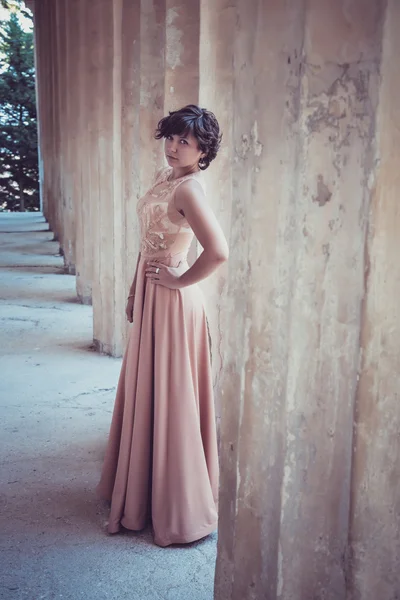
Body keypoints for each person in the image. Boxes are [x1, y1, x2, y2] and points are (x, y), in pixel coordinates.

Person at [96, 104, 229, 547]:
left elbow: (218, 251)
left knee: (172, 396)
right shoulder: (164, 178)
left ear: (203, 150)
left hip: (174, 301)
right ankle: (142, 490)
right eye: (170, 138)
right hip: (153, 294)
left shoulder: (190, 189)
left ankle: (178, 506)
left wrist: (177, 279)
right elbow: (146, 241)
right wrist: (136, 289)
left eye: (184, 142)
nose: (173, 147)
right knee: (147, 390)